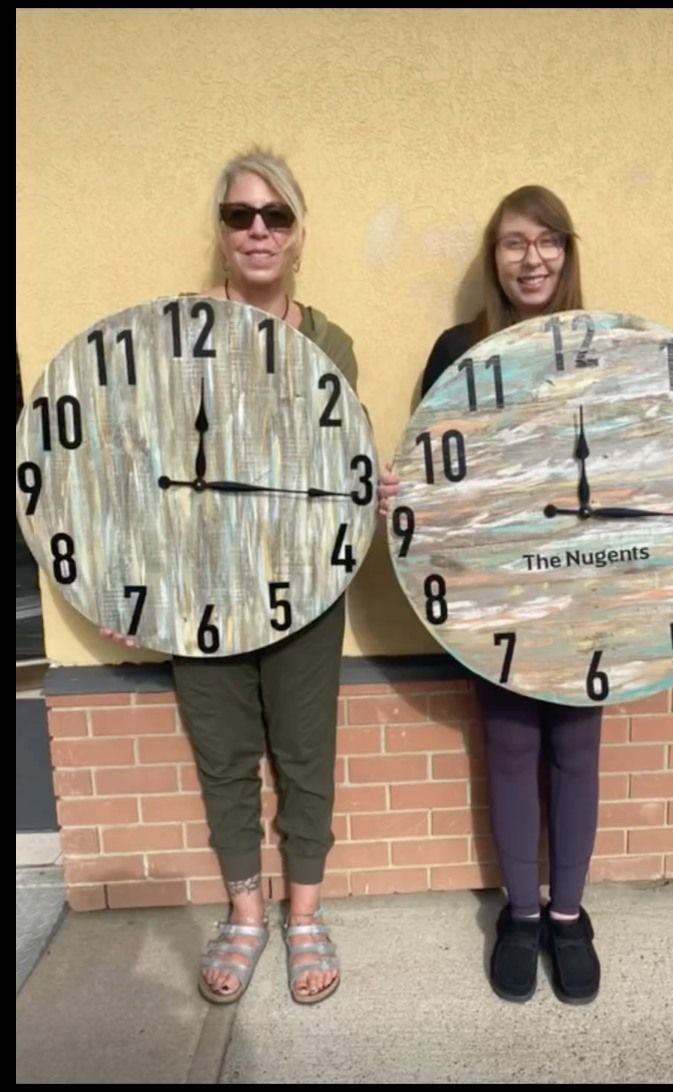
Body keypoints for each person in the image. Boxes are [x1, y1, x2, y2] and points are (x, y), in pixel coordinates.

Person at [378, 184, 673, 1006]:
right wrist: (402, 491)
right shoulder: (460, 349)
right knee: (507, 748)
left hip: (594, 589)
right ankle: (519, 916)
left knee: (575, 749)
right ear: (494, 259)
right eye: (512, 243)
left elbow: (671, 455)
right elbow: (435, 467)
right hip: (498, 593)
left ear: (567, 251)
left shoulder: (617, 348)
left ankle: (568, 915)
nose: (530, 259)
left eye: (546, 241)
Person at [104, 149, 358, 1006]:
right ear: (220, 232)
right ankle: (246, 916)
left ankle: (306, 916)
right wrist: (123, 582)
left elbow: (337, 468)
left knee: (304, 755)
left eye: (275, 216)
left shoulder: (327, 343)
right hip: (197, 588)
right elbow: (131, 468)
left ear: (296, 235)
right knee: (224, 757)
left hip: (303, 587)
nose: (258, 230)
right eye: (241, 215)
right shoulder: (168, 335)